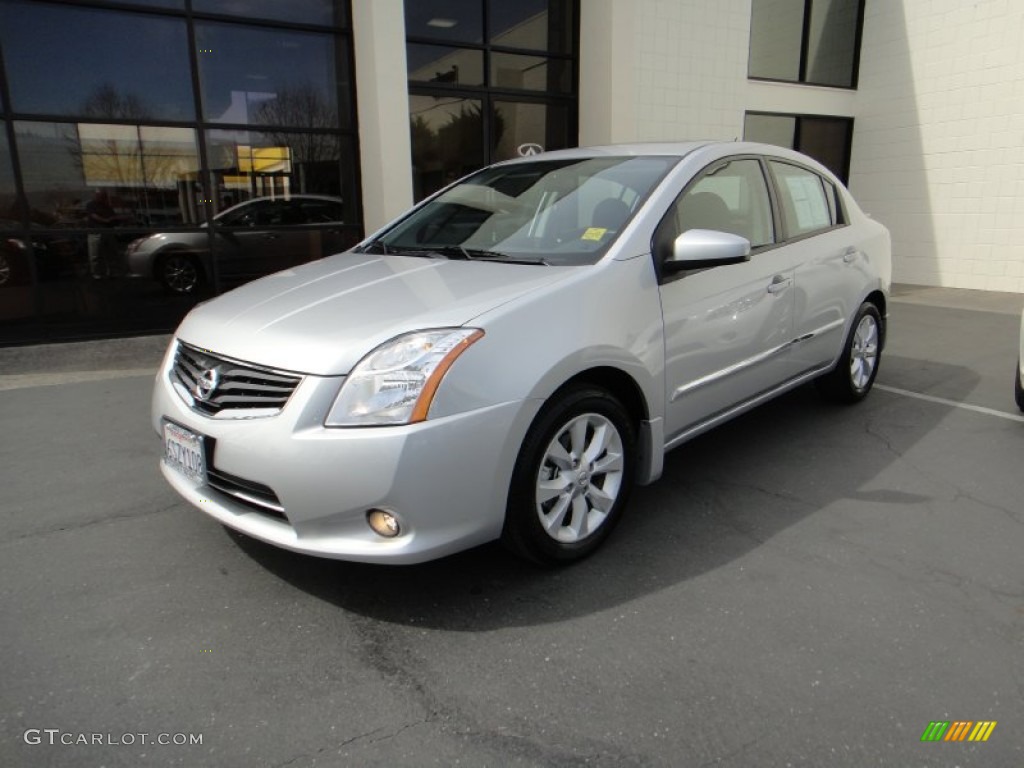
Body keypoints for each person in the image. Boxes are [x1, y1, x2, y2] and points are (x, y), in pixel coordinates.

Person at [86, 190, 120, 278]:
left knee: (111, 252)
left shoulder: (107, 206)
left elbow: (114, 217)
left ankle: (112, 271)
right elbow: (94, 216)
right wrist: (106, 220)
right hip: (95, 232)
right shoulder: (91, 205)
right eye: (100, 195)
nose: (101, 197)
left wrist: (112, 220)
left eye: (103, 196)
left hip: (107, 231)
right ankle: (96, 272)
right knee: (95, 254)